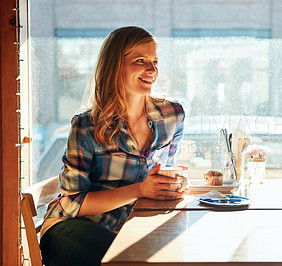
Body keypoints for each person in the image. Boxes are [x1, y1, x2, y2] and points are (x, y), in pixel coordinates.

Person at [40, 26, 186, 266]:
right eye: (141, 60)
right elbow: (72, 202)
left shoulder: (172, 115)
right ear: (116, 65)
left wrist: (175, 184)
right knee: (136, 260)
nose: (152, 70)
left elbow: (161, 176)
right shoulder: (87, 125)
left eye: (155, 61)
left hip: (126, 228)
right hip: (71, 228)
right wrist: (139, 190)